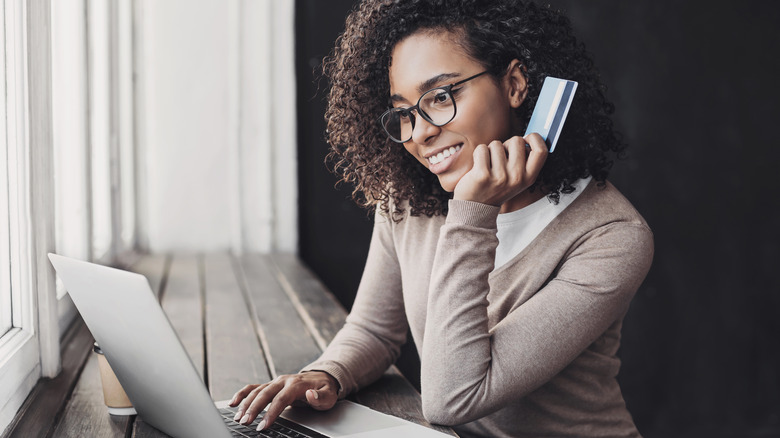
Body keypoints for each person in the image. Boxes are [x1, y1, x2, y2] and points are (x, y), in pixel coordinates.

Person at [231, 0, 654, 436]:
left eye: (441, 96)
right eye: (404, 112)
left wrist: (473, 211)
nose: (421, 132)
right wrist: (327, 374)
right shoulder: (408, 201)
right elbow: (376, 330)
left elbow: (453, 397)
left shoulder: (611, 237)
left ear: (514, 84)